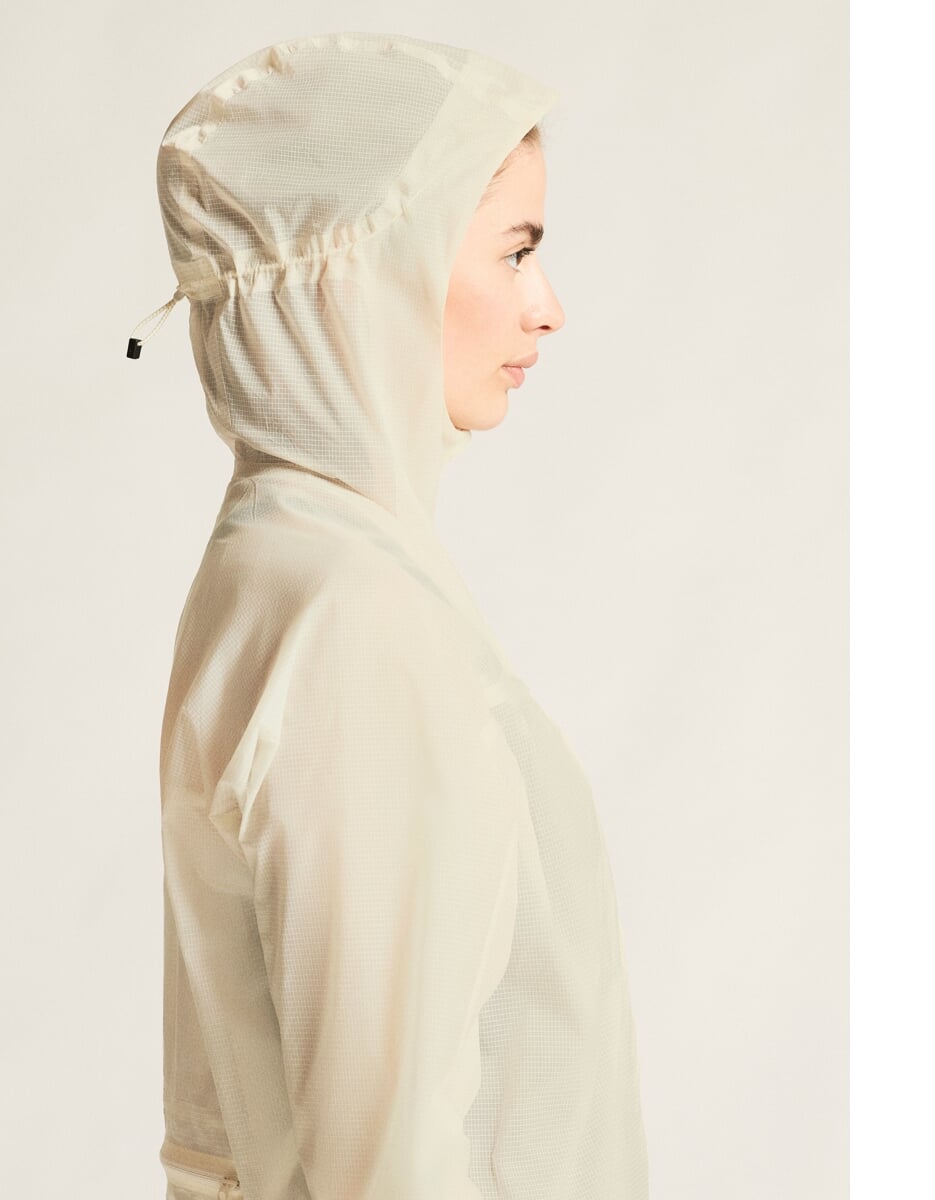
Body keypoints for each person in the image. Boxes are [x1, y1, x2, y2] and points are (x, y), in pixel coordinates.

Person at [132, 31, 650, 1200]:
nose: (548, 308)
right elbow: (383, 1158)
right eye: (516, 251)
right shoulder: (348, 612)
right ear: (371, 269)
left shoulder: (280, 559)